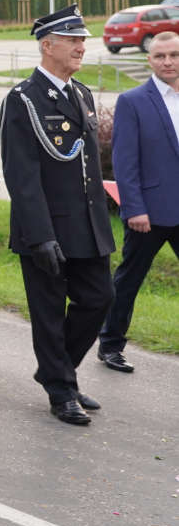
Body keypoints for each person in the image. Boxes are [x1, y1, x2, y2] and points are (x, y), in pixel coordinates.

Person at [1, 4, 115, 424]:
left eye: (82, 40)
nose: (81, 47)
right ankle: (62, 391)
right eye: (73, 40)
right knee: (49, 312)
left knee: (100, 298)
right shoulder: (23, 99)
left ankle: (55, 369)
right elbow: (21, 174)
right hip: (46, 227)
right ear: (47, 46)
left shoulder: (80, 93)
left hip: (86, 224)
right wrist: (39, 235)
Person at [99, 31, 179, 372]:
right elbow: (125, 161)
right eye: (160, 56)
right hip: (150, 212)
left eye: (174, 55)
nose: (168, 62)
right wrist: (133, 208)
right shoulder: (133, 100)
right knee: (128, 280)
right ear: (149, 60)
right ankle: (110, 345)